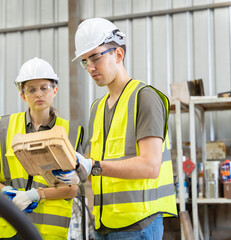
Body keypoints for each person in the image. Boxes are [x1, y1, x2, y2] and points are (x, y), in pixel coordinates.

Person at [56, 18, 177, 239]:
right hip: (105, 224)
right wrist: (76, 171)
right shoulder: (98, 108)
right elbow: (97, 164)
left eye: (95, 57)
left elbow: (151, 166)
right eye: (84, 61)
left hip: (138, 225)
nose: (90, 67)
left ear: (118, 54)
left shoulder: (145, 98)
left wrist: (91, 166)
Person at [0, 57, 84, 240]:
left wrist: (34, 195)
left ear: (54, 90)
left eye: (44, 88)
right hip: (9, 227)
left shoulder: (69, 132)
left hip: (48, 232)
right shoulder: (5, 127)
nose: (38, 94)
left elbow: (72, 188)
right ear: (23, 95)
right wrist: (4, 191)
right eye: (31, 90)